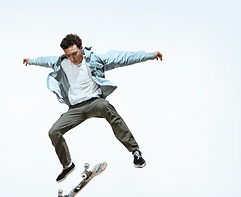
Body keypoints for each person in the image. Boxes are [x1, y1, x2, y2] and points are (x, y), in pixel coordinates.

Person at [23, 34, 162, 183]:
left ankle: (135, 151)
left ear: (81, 48)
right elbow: (45, 60)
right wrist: (31, 61)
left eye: (75, 54)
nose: (72, 58)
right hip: (75, 108)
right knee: (53, 132)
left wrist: (150, 55)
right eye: (68, 55)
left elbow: (123, 58)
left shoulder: (95, 59)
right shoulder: (61, 62)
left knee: (106, 106)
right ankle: (67, 165)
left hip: (94, 103)